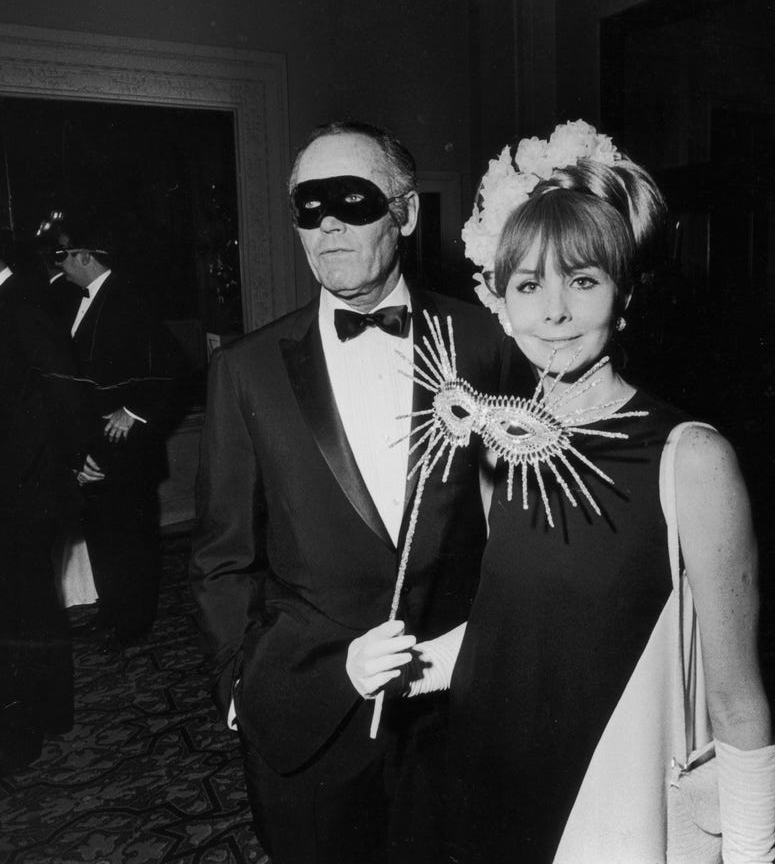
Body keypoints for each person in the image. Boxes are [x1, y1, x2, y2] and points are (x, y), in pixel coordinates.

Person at [362, 126, 775, 863]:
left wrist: (752, 855)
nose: (553, 312)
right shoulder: (498, 444)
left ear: (624, 296)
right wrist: (402, 668)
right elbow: (514, 632)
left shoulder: (693, 460)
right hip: (489, 782)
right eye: (529, 285)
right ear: (501, 302)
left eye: (582, 281)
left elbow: (738, 703)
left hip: (609, 799)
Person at [189, 120, 511, 864]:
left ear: (404, 212)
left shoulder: (488, 342)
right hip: (307, 718)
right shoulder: (247, 370)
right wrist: (240, 690)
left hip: (457, 716)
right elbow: (219, 556)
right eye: (307, 205)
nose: (327, 222)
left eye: (352, 200)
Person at [56, 218, 186, 650]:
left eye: (64, 257)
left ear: (85, 257)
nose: (60, 267)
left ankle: (133, 623)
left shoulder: (129, 298)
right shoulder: (79, 299)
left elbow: (174, 367)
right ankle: (111, 612)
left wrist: (135, 411)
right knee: (103, 534)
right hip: (95, 445)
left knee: (131, 540)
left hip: (128, 450)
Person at [0, 235, 85, 773]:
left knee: (22, 611)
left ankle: (25, 732)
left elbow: (66, 388)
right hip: (20, 488)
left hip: (25, 492)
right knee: (33, 606)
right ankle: (51, 713)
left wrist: (79, 459)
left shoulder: (20, 304)